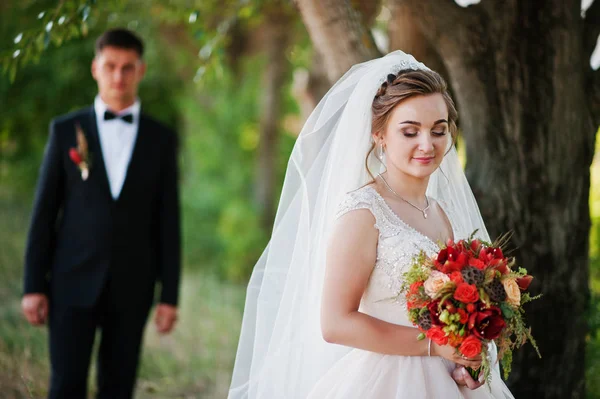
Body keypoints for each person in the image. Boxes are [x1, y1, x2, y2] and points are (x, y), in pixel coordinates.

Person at [228, 51, 514, 398]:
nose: (427, 144)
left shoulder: (443, 212)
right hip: (387, 382)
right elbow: (335, 324)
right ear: (380, 135)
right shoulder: (364, 212)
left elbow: (446, 319)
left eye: (438, 130)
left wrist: (463, 360)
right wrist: (432, 347)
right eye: (410, 132)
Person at [21, 28, 181, 399]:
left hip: (133, 285)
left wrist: (169, 295)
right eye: (110, 66)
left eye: (127, 68)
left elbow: (168, 221)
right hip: (70, 282)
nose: (118, 77)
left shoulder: (161, 139)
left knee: (118, 386)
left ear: (140, 70)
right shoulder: (65, 132)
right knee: (66, 385)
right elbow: (44, 212)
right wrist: (33, 285)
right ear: (95, 68)